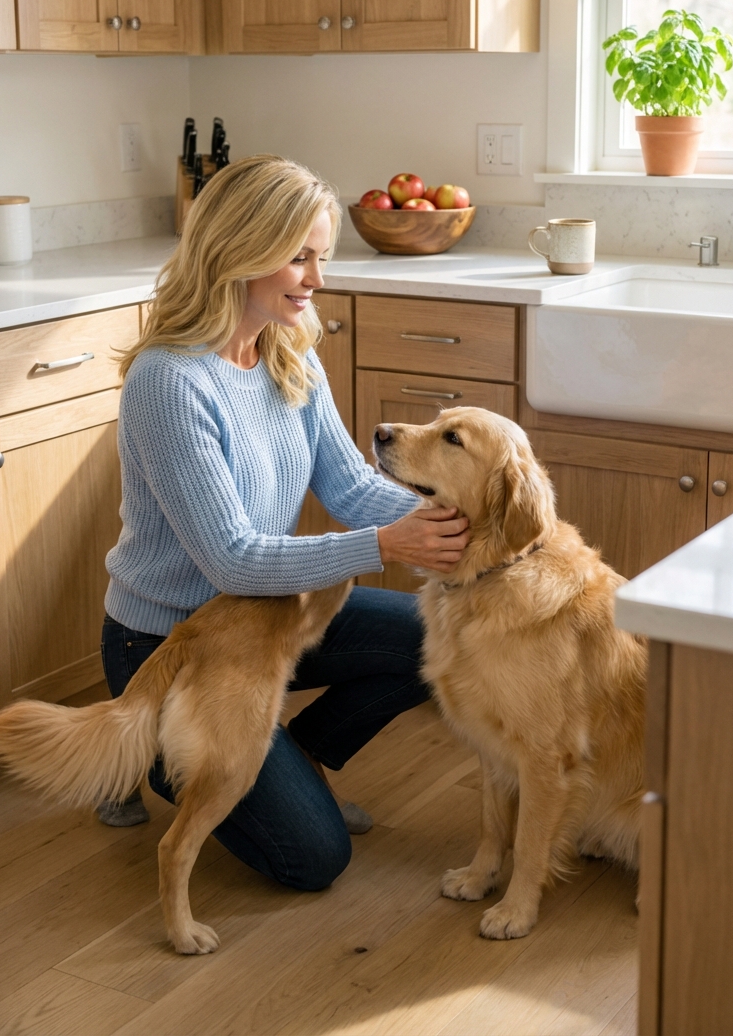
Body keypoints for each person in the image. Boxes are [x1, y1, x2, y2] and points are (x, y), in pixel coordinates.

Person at [99, 154, 470, 891]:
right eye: (298, 258)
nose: (317, 279)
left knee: (444, 641)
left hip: (268, 619)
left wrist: (468, 522)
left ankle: (288, 757)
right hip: (171, 644)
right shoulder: (170, 382)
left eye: (321, 257)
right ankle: (153, 750)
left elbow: (355, 490)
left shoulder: (289, 354)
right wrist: (385, 546)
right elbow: (232, 562)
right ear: (239, 250)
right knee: (313, 859)